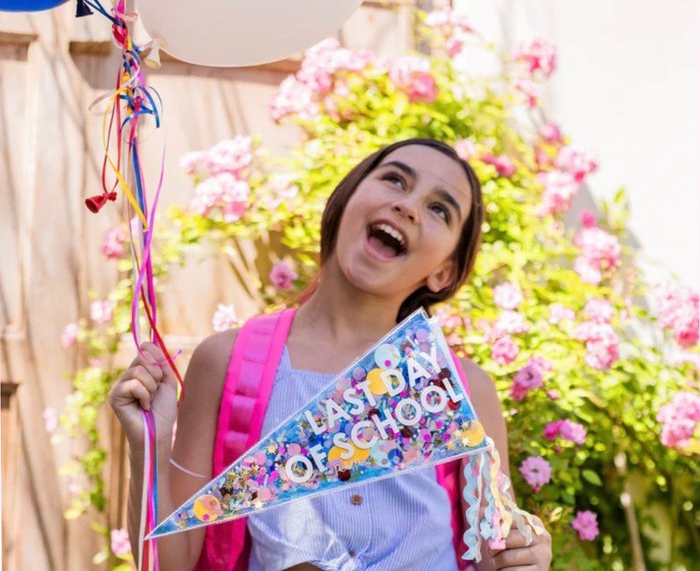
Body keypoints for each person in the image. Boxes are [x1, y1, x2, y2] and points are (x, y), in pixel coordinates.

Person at [109, 137, 553, 571]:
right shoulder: (225, 362)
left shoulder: (462, 389)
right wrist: (147, 442)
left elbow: (499, 549)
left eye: (440, 209)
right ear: (348, 200)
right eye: (395, 180)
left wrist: (524, 554)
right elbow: (171, 562)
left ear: (444, 272)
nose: (409, 206)